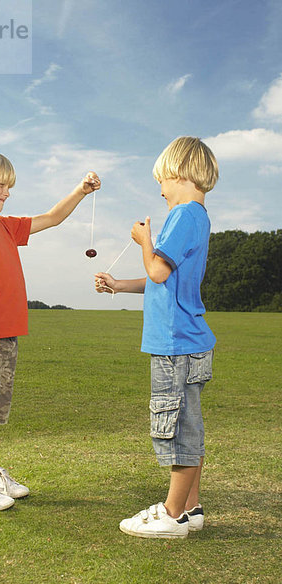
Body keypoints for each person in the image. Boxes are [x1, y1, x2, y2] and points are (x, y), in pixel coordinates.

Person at [0, 147, 100, 511]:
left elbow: (51, 218)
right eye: (1, 184)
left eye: (8, 186)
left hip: (6, 336)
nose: (6, 192)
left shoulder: (4, 226)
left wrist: (81, 190)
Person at [95, 136, 218, 538]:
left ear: (179, 174)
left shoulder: (183, 216)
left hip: (175, 344)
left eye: (161, 182)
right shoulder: (197, 217)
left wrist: (144, 239)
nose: (160, 191)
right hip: (189, 340)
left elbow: (158, 271)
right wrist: (117, 285)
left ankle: (170, 514)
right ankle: (190, 508)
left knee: (179, 426)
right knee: (191, 424)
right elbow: (161, 282)